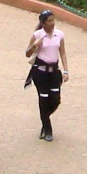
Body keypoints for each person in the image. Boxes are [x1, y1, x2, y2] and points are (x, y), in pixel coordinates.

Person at [25, 9, 69, 142]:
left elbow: (62, 53)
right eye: (49, 21)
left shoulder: (59, 34)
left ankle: (44, 119)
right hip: (41, 72)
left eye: (53, 20)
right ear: (43, 23)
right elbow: (27, 53)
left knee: (55, 99)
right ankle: (47, 128)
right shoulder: (37, 35)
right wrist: (34, 46)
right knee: (43, 99)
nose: (52, 23)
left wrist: (66, 71)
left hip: (54, 72)